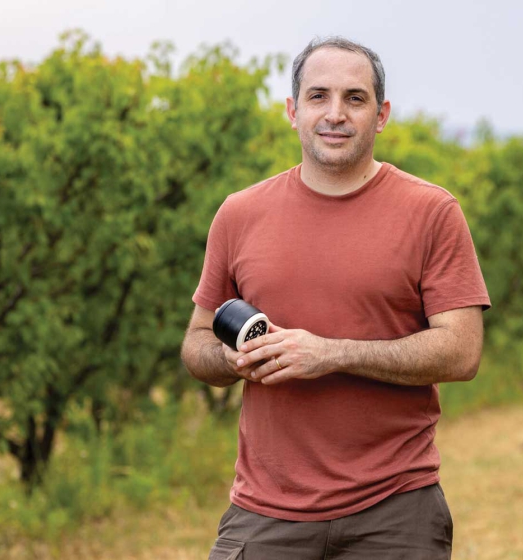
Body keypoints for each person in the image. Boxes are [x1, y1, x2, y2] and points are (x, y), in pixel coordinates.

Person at [180, 36, 491, 559]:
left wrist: (332, 354)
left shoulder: (432, 212)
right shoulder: (239, 214)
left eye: (355, 98)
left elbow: (462, 352)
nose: (335, 114)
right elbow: (195, 345)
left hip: (395, 509)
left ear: (382, 113)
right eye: (319, 96)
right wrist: (235, 359)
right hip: (265, 510)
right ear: (292, 110)